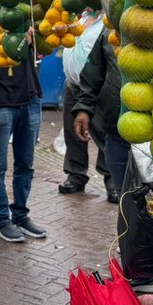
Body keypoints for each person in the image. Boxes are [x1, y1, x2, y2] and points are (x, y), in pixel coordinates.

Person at [0, 33, 47, 243]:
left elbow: (46, 44)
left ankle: (21, 215)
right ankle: (2, 220)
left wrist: (34, 38)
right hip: (0, 101)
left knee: (26, 163)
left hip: (30, 99)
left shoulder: (24, 13)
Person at [70, 25, 127, 200]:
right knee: (124, 197)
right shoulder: (109, 32)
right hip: (116, 129)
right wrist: (84, 109)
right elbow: (94, 72)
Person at [60, 22, 115, 201]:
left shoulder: (107, 23)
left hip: (96, 86)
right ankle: (76, 174)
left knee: (102, 131)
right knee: (72, 132)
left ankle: (111, 178)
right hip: (73, 85)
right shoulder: (78, 18)